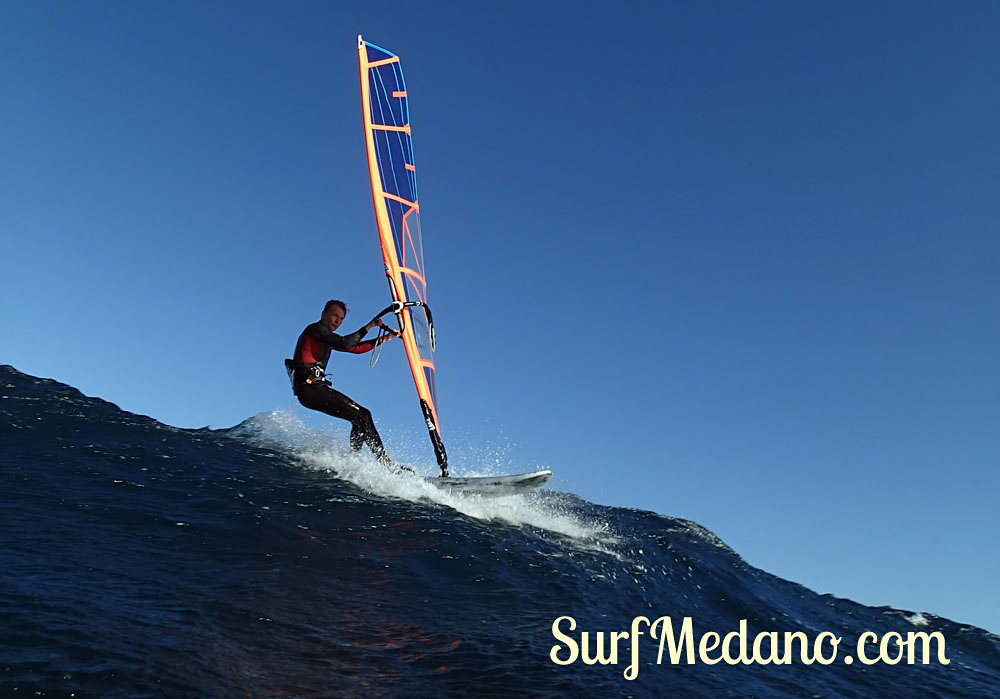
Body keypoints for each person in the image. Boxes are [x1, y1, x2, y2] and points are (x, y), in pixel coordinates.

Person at [285, 299, 398, 464]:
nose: (337, 321)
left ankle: (353, 460)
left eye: (341, 319)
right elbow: (345, 343)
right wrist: (370, 326)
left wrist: (385, 338)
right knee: (364, 414)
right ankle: (384, 461)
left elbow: (356, 348)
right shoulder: (315, 330)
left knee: (359, 419)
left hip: (313, 391)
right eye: (334, 316)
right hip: (311, 389)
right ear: (324, 314)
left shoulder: (327, 338)